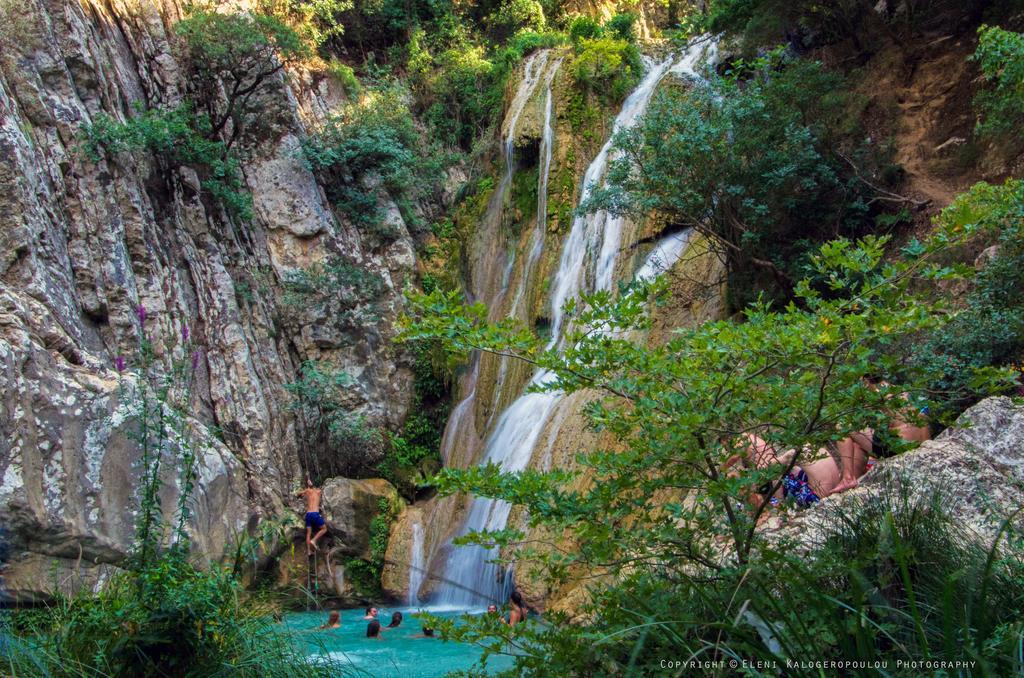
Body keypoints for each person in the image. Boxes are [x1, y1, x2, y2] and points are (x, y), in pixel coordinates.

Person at [296, 477, 327, 556]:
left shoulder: (307, 491)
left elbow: (298, 494)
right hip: (315, 514)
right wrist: (311, 485)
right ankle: (314, 540)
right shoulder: (319, 491)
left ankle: (309, 551)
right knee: (324, 529)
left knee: (308, 533)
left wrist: (305, 491)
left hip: (308, 515)